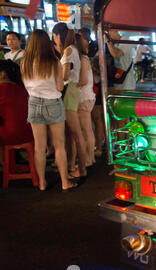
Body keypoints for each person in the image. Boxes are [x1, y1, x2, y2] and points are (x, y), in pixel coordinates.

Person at [20, 29, 77, 192]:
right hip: (53, 102)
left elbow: (25, 85)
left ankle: (42, 183)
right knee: (59, 145)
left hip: (33, 103)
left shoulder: (25, 63)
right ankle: (65, 182)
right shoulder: (53, 61)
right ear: (47, 43)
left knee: (39, 147)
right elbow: (60, 86)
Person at [52, 22, 88, 181]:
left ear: (58, 35)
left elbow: (65, 75)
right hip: (72, 90)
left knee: (76, 132)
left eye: (54, 36)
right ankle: (75, 166)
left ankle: (82, 169)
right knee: (74, 133)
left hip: (68, 90)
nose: (54, 39)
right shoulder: (73, 49)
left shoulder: (68, 50)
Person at [0, 60, 32, 166]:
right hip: (29, 133)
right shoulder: (23, 89)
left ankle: (3, 161)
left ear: (3, 74)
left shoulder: (2, 88)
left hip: (11, 136)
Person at [76, 30, 96, 167]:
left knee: (86, 130)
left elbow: (82, 81)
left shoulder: (82, 59)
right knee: (87, 129)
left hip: (83, 97)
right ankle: (91, 157)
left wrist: (70, 83)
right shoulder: (84, 58)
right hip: (87, 96)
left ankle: (89, 158)